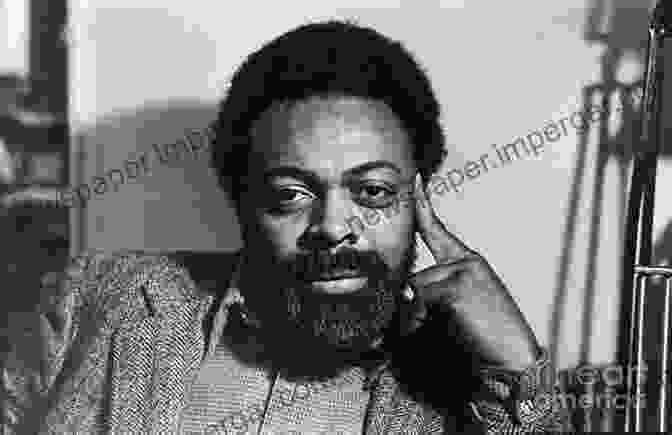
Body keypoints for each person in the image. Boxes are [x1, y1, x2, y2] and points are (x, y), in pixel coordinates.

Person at [2, 21, 572, 433]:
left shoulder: (466, 377)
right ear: (241, 198)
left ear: (417, 198)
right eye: (291, 194)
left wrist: (518, 369)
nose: (332, 226)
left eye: (372, 191)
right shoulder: (96, 297)